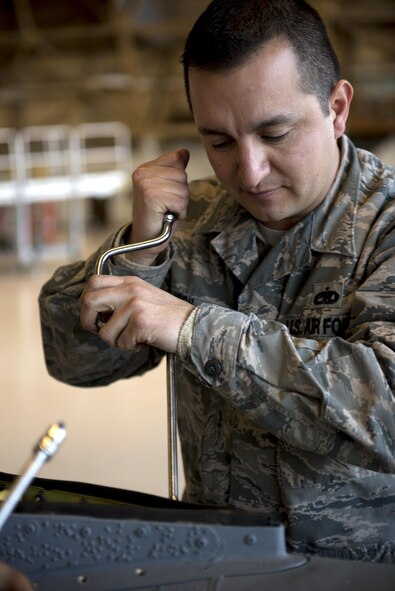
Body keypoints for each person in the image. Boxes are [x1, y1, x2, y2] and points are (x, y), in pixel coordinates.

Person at [39, 0, 395, 563]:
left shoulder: (386, 224)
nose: (249, 173)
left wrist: (192, 329)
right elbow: (74, 359)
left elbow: (388, 410)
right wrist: (141, 250)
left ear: (338, 107)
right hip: (213, 560)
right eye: (220, 142)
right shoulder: (192, 218)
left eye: (275, 133)